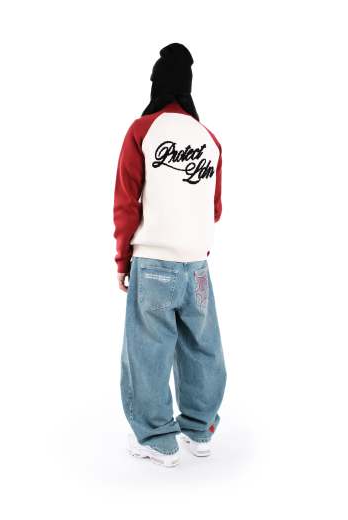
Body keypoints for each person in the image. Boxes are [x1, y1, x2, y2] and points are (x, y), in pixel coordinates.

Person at [113, 43, 227, 467]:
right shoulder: (209, 140)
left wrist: (123, 260)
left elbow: (126, 202)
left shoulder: (143, 130)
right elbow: (214, 208)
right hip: (196, 264)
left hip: (154, 261)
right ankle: (199, 429)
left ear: (157, 84)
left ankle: (158, 439)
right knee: (202, 347)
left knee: (148, 349)